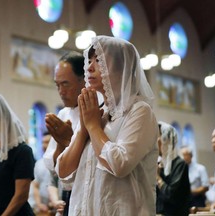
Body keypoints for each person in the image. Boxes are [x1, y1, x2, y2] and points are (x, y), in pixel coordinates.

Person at [56, 35, 159, 215]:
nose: (89, 67)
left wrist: (93, 127)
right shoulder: (95, 113)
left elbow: (119, 165)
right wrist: (83, 130)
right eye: (89, 60)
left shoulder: (139, 111)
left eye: (99, 60)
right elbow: (63, 171)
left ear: (122, 68)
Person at [43, 51, 86, 215]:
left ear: (83, 80)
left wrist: (70, 140)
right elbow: (55, 167)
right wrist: (61, 143)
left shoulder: (99, 111)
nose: (61, 91)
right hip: (68, 194)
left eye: (66, 84)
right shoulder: (63, 115)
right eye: (57, 85)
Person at [156, 121, 191, 216]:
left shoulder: (180, 164)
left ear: (165, 141)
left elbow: (171, 195)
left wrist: (157, 178)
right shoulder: (158, 164)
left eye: (157, 138)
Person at [29, 131, 52, 214]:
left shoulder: (61, 161)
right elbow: (35, 185)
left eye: (47, 142)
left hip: (58, 206)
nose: (44, 145)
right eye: (43, 142)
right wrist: (39, 204)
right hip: (43, 209)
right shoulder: (39, 163)